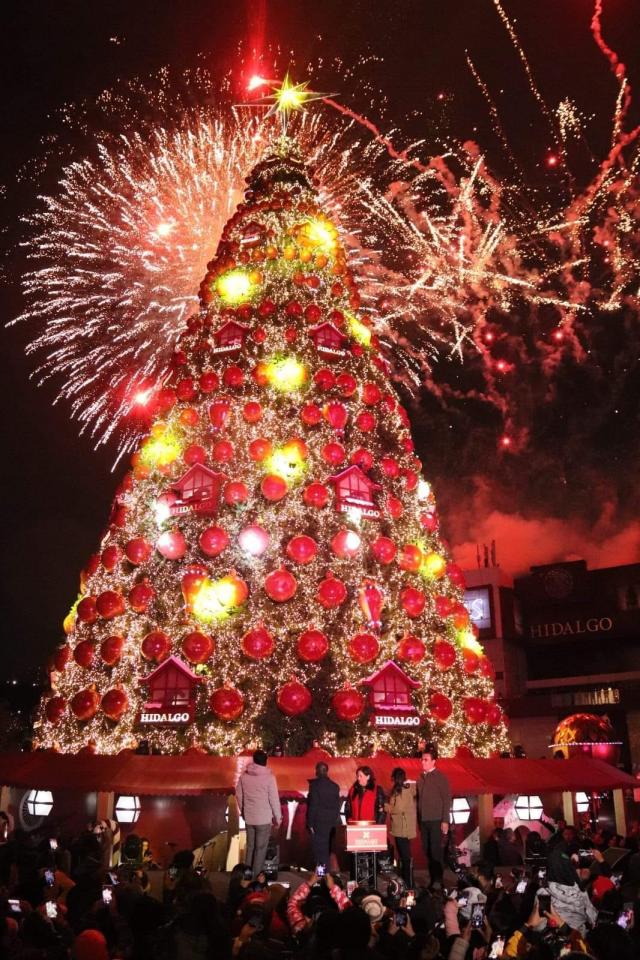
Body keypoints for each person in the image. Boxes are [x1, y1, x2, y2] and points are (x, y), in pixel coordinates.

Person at [235, 749, 282, 879]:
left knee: (250, 847)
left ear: (254, 760)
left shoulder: (244, 776)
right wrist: (278, 818)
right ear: (265, 761)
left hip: (249, 817)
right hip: (264, 819)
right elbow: (274, 799)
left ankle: (246, 877)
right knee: (260, 849)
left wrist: (243, 810)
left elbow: (238, 794)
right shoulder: (269, 778)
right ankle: (256, 879)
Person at [416, 747, 450, 885]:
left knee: (435, 851)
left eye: (426, 760)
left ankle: (438, 880)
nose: (423, 762)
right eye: (422, 759)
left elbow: (447, 799)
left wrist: (445, 820)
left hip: (436, 820)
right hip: (424, 820)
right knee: (427, 850)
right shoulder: (420, 778)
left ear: (433, 761)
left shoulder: (440, 777)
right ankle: (433, 878)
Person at [384, 767, 416, 885]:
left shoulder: (402, 790)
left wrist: (386, 807)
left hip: (402, 827)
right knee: (404, 855)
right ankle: (407, 879)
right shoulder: (404, 789)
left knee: (405, 855)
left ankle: (408, 881)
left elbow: (399, 808)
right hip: (402, 826)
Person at [306, 761, 342, 869]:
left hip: (318, 822)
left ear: (317, 771)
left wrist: (310, 823)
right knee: (326, 849)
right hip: (331, 823)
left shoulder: (314, 786)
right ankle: (325, 875)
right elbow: (337, 806)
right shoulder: (335, 786)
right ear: (327, 771)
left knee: (319, 851)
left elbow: (313, 805)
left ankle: (322, 875)